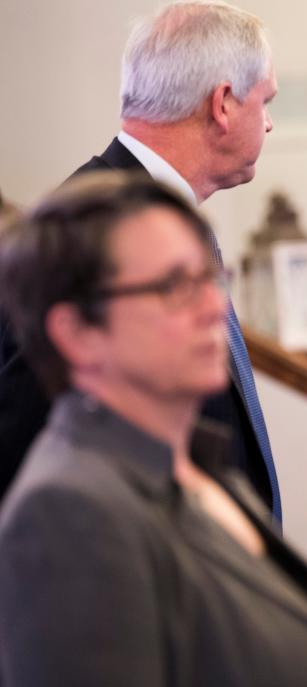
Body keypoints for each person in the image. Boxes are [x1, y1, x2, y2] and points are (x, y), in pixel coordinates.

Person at [0, 173, 307, 687]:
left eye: (212, 279)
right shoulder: (69, 511)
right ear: (77, 333)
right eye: (174, 286)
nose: (214, 309)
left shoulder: (203, 470)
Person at [0, 1, 281, 519]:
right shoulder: (86, 234)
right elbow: (23, 443)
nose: (268, 124)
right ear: (222, 104)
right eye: (265, 102)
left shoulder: (152, 221)